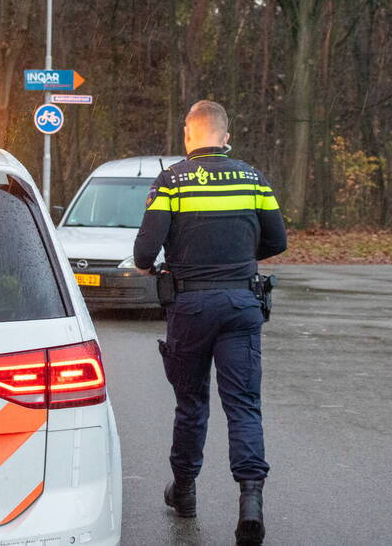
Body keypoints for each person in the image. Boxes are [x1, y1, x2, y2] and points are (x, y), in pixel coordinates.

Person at [133, 100, 287, 546]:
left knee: (192, 403)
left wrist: (160, 266)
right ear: (225, 134)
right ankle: (251, 503)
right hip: (242, 304)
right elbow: (276, 241)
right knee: (243, 405)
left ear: (188, 134)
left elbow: (145, 254)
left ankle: (184, 492)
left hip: (191, 308)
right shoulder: (253, 178)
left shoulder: (171, 181)